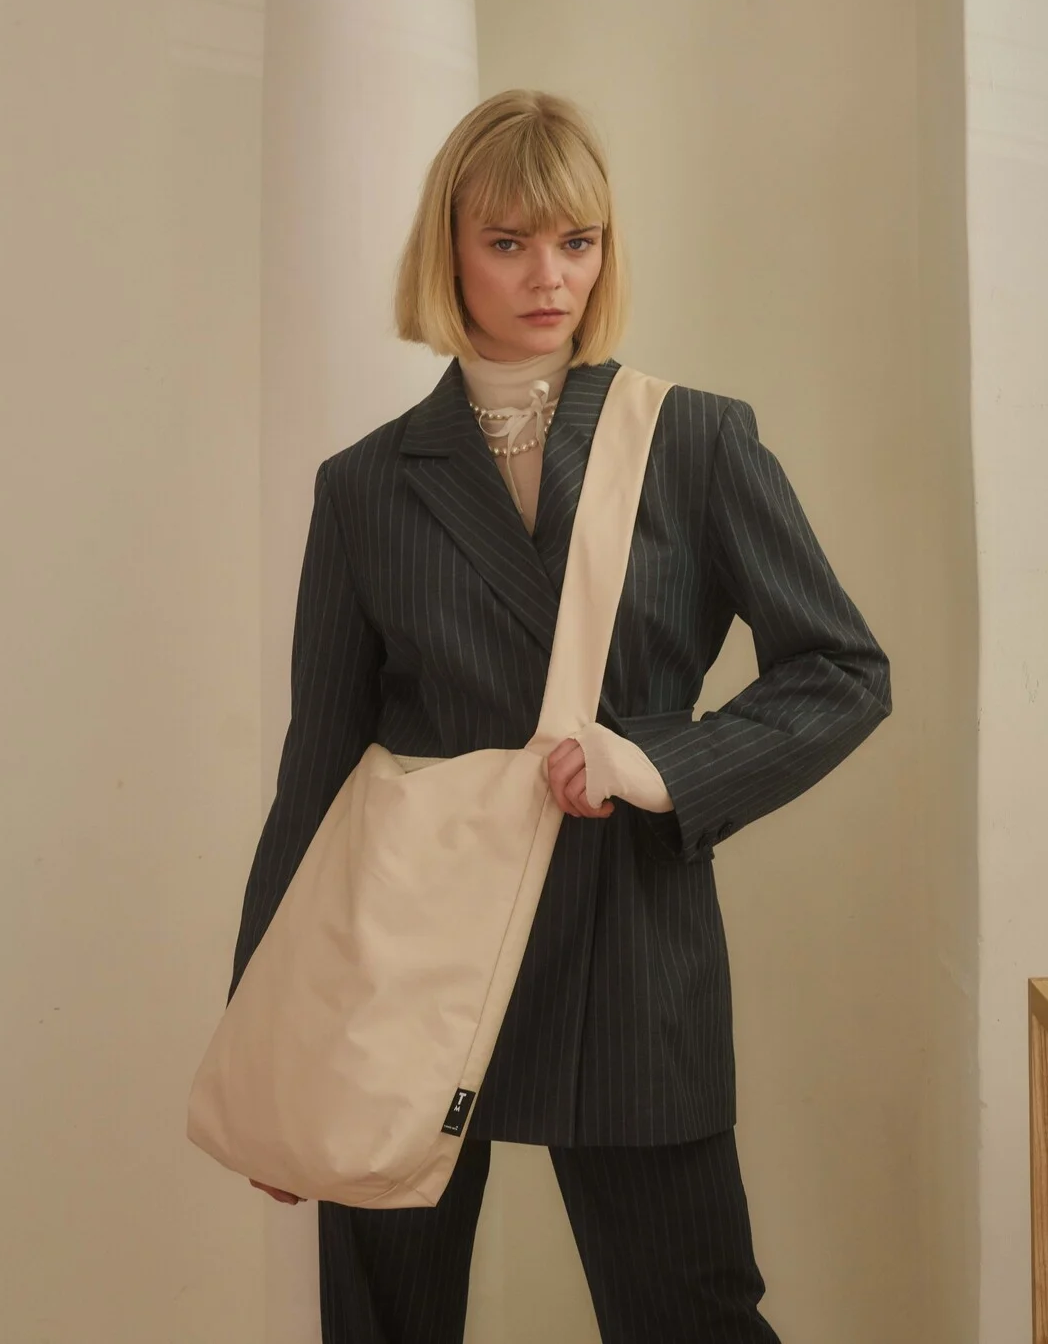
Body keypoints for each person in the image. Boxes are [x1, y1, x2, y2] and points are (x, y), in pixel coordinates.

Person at [227, 88, 891, 1344]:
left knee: (691, 1315)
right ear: (450, 250)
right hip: (404, 962)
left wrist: (657, 765)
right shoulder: (364, 486)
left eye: (576, 242)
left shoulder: (692, 442)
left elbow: (842, 669)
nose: (549, 278)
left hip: (626, 946)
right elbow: (312, 774)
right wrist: (268, 1045)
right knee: (383, 1324)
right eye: (509, 242)